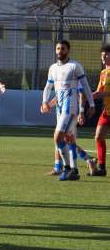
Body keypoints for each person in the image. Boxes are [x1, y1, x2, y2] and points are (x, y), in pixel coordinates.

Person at [40, 40, 95, 181]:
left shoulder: (74, 66)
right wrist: (45, 102)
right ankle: (75, 169)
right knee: (69, 139)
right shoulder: (53, 68)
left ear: (68, 50)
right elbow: (48, 87)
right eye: (58, 49)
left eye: (63, 49)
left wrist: (91, 105)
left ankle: (66, 168)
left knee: (57, 137)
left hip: (70, 108)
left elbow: (86, 87)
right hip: (60, 109)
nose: (60, 51)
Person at [48, 89, 97, 175]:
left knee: (62, 139)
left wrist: (81, 112)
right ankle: (89, 159)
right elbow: (59, 96)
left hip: (70, 113)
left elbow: (82, 94)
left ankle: (59, 168)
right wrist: (48, 105)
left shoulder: (74, 77)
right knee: (65, 141)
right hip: (61, 113)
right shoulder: (61, 79)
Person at [91, 44, 110, 176]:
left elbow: (105, 93)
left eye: (107, 54)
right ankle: (101, 168)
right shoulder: (103, 73)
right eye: (102, 54)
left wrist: (101, 94)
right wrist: (87, 96)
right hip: (107, 111)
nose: (103, 56)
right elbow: (99, 91)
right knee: (98, 137)